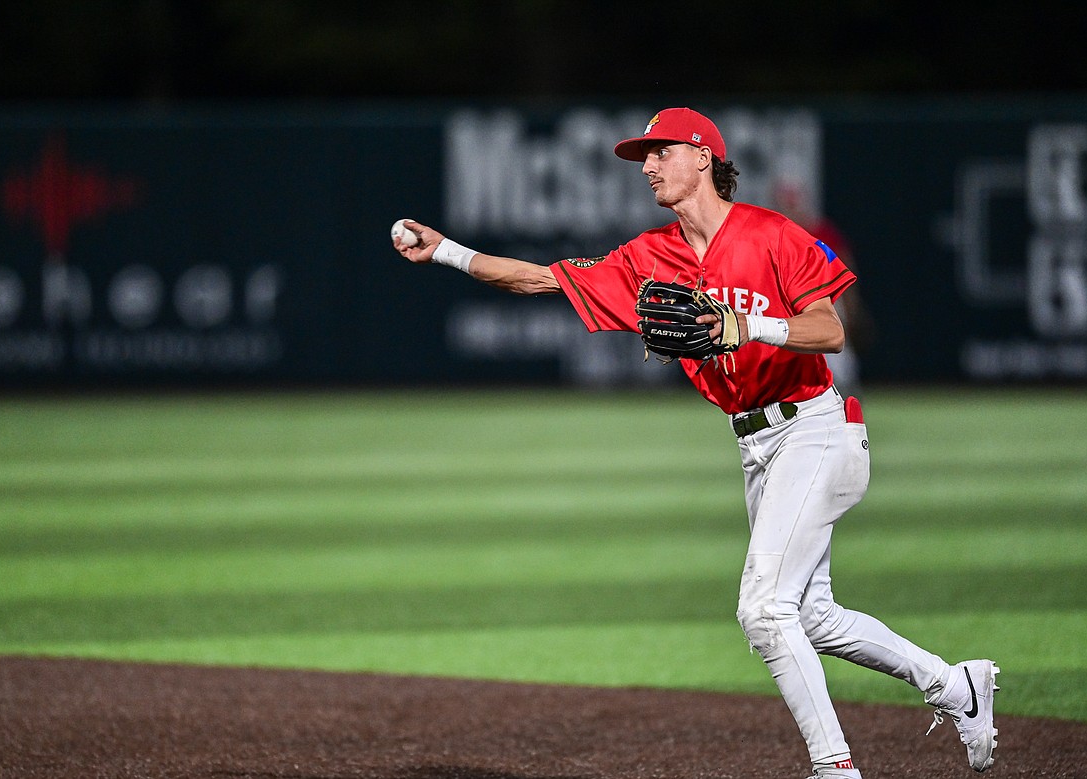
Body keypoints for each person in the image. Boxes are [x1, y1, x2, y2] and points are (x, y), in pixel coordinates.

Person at [392, 107, 998, 779]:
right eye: (641, 157)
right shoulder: (649, 257)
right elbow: (538, 277)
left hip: (818, 427)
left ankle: (836, 768)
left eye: (660, 151)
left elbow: (828, 330)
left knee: (765, 611)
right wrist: (446, 250)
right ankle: (955, 685)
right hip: (758, 446)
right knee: (813, 616)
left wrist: (748, 327)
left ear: (703, 157)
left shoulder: (772, 234)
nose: (646, 165)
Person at [769, 177, 874, 394]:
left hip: (825, 303)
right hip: (785, 307)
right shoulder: (771, 234)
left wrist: (852, 310)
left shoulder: (821, 234)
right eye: (786, 201)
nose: (790, 207)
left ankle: (848, 410)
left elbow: (845, 272)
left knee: (839, 365)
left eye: (793, 201)